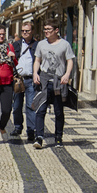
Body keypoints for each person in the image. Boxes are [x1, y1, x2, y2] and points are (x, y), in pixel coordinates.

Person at [32, 18, 75, 149]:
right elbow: (37, 60)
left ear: (56, 30)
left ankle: (58, 137)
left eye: (49, 29)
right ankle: (39, 137)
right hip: (44, 80)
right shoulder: (41, 44)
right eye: (45, 29)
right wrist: (35, 73)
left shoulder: (65, 44)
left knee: (58, 111)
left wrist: (67, 74)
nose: (46, 32)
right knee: (40, 109)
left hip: (58, 80)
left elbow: (70, 61)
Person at [10, 21, 38, 141]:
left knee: (30, 106)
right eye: (23, 31)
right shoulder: (16, 45)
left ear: (32, 31)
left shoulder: (37, 45)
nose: (25, 33)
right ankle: (18, 127)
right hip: (18, 79)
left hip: (31, 79)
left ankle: (31, 130)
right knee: (16, 106)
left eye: (27, 31)